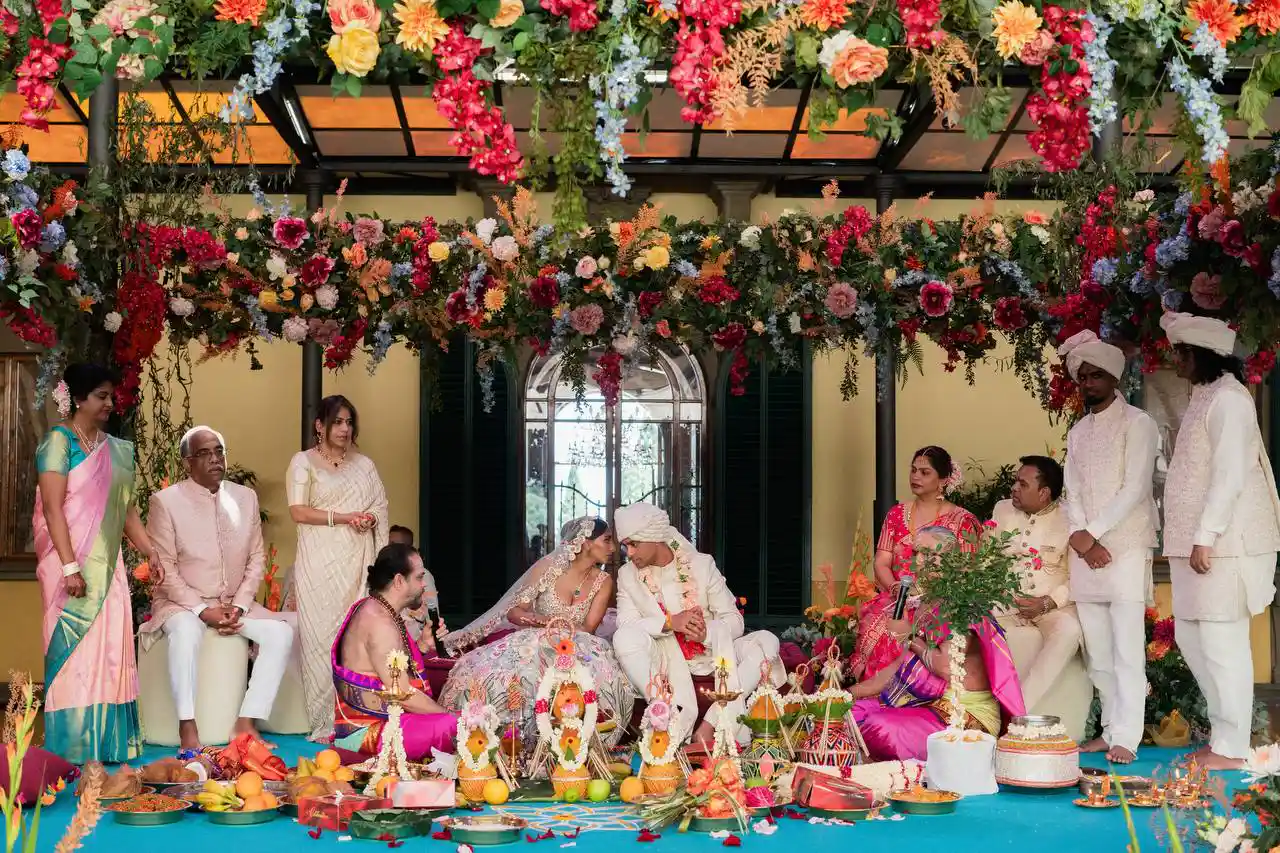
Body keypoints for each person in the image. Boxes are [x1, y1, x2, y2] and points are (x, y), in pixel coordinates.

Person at [1160, 312, 1280, 770]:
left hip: (1227, 543)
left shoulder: (1231, 399)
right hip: (1197, 543)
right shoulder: (1204, 396)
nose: (1175, 361)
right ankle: (1224, 733)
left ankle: (1231, 747)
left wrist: (1206, 535)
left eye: (1181, 353)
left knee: (1223, 641)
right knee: (1193, 637)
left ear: (1202, 355)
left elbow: (1229, 475)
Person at [140, 426, 295, 749]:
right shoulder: (165, 502)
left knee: (281, 633)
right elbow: (164, 568)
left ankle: (246, 723)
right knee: (185, 632)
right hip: (182, 604)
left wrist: (238, 606)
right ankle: (187, 725)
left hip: (234, 603)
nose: (215, 459)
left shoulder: (245, 498)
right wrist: (202, 610)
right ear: (187, 463)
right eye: (205, 453)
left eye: (219, 451)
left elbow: (256, 558)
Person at [34, 363, 155, 763]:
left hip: (108, 569)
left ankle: (106, 745)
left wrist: (150, 551)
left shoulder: (115, 450)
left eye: (110, 396)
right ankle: (71, 749)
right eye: (101, 396)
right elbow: (52, 510)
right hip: (69, 568)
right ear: (80, 399)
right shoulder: (58, 441)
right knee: (73, 656)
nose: (109, 403)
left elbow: (127, 513)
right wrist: (70, 568)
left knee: (109, 653)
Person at [440, 518, 635, 748]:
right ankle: (509, 742)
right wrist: (538, 621)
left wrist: (556, 626)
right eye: (607, 540)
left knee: (598, 677)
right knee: (515, 673)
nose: (613, 548)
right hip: (535, 638)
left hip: (579, 643)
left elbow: (588, 628)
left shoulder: (604, 581)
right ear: (585, 543)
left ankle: (575, 745)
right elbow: (514, 612)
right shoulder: (548, 569)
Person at [1059, 330, 1159, 764]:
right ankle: (1108, 728)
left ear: (1115, 379)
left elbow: (1136, 487)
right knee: (1097, 650)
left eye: (1097, 376)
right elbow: (1072, 488)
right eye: (1084, 377)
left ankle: (1128, 737)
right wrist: (1080, 537)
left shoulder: (1140, 424)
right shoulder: (1079, 431)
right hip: (1087, 551)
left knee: (1126, 647)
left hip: (1125, 548)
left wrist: (1092, 534)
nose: (1089, 384)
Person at [612, 502, 784, 748]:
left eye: (633, 544)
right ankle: (667, 714)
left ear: (655, 538)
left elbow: (734, 620)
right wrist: (672, 622)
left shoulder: (702, 565)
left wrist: (706, 632)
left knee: (768, 640)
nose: (629, 553)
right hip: (665, 655)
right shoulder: (628, 575)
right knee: (624, 638)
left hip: (715, 652)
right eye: (625, 545)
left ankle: (712, 722)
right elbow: (626, 623)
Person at [851, 527, 1026, 761]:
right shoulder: (925, 604)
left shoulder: (965, 605)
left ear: (952, 561)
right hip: (927, 707)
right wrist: (845, 694)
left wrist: (908, 638)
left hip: (965, 716)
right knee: (848, 714)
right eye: (916, 553)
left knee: (879, 728)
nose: (920, 561)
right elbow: (894, 672)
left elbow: (944, 665)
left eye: (929, 554)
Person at [287, 395, 389, 742]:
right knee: (319, 640)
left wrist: (370, 518)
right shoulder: (303, 462)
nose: (345, 429)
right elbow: (298, 511)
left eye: (349, 422)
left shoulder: (365, 466)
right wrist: (346, 517)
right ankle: (324, 721)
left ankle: (354, 714)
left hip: (357, 561)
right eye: (337, 422)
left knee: (352, 638)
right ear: (320, 426)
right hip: (318, 563)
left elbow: (379, 505)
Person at [851, 446, 981, 680]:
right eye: (913, 470)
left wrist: (931, 596)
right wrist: (896, 590)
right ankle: (873, 694)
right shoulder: (896, 514)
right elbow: (881, 562)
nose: (915, 477)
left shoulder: (962, 520)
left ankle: (919, 693)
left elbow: (967, 571)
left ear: (943, 480)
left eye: (924, 472)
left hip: (940, 602)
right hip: (897, 597)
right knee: (880, 626)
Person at [332, 543, 457, 759]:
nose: (423, 587)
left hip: (379, 723)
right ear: (399, 581)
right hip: (365, 735)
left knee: (463, 720)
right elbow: (402, 695)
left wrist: (423, 645)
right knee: (462, 727)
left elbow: (385, 667)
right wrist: (450, 717)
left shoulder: (376, 608)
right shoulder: (380, 623)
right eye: (419, 578)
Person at [990, 455, 1083, 709]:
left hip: (1050, 606)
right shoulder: (1002, 509)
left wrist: (1048, 602)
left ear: (1044, 493)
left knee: (1069, 631)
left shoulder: (1071, 519)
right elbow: (986, 558)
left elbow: (1080, 576)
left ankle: (1020, 708)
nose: (1014, 489)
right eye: (1015, 482)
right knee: (970, 623)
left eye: (1023, 484)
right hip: (1005, 602)